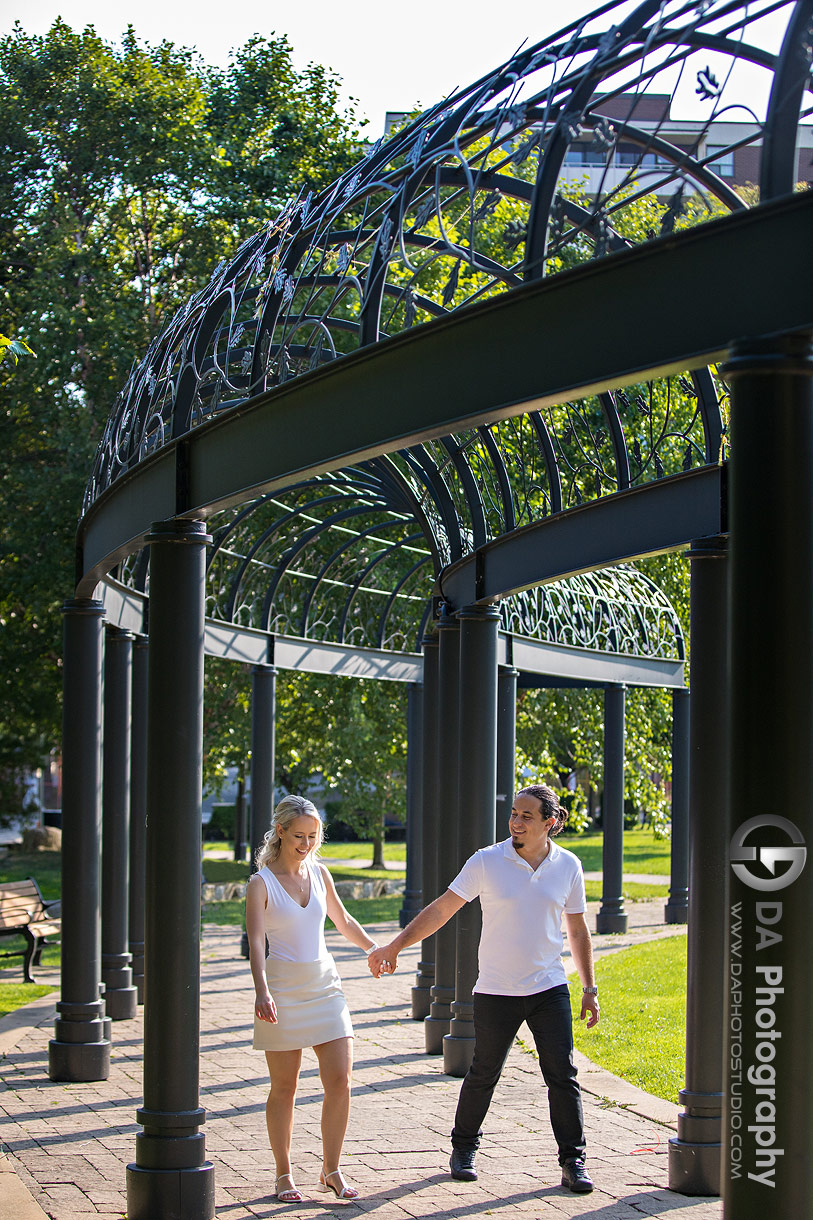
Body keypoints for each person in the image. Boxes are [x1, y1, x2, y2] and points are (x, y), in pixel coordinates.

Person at [368, 783, 599, 1195]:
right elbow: (443, 907)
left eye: (527, 816)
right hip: (495, 990)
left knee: (562, 1075)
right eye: (514, 813)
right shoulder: (488, 862)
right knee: (484, 1072)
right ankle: (463, 1149)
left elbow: (578, 929)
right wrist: (396, 945)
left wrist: (589, 988)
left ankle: (573, 1161)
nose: (515, 822)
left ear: (550, 823)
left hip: (549, 988)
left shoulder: (568, 866)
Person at [246, 794, 381, 1203]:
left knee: (340, 1081)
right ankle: (284, 1174)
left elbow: (344, 920)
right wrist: (261, 990)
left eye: (313, 836)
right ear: (281, 831)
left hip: (326, 987)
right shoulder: (260, 883)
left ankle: (331, 1170)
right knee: (284, 1088)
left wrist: (373, 950)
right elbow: (254, 943)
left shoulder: (321, 874)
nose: (306, 844)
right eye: (299, 836)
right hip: (282, 991)